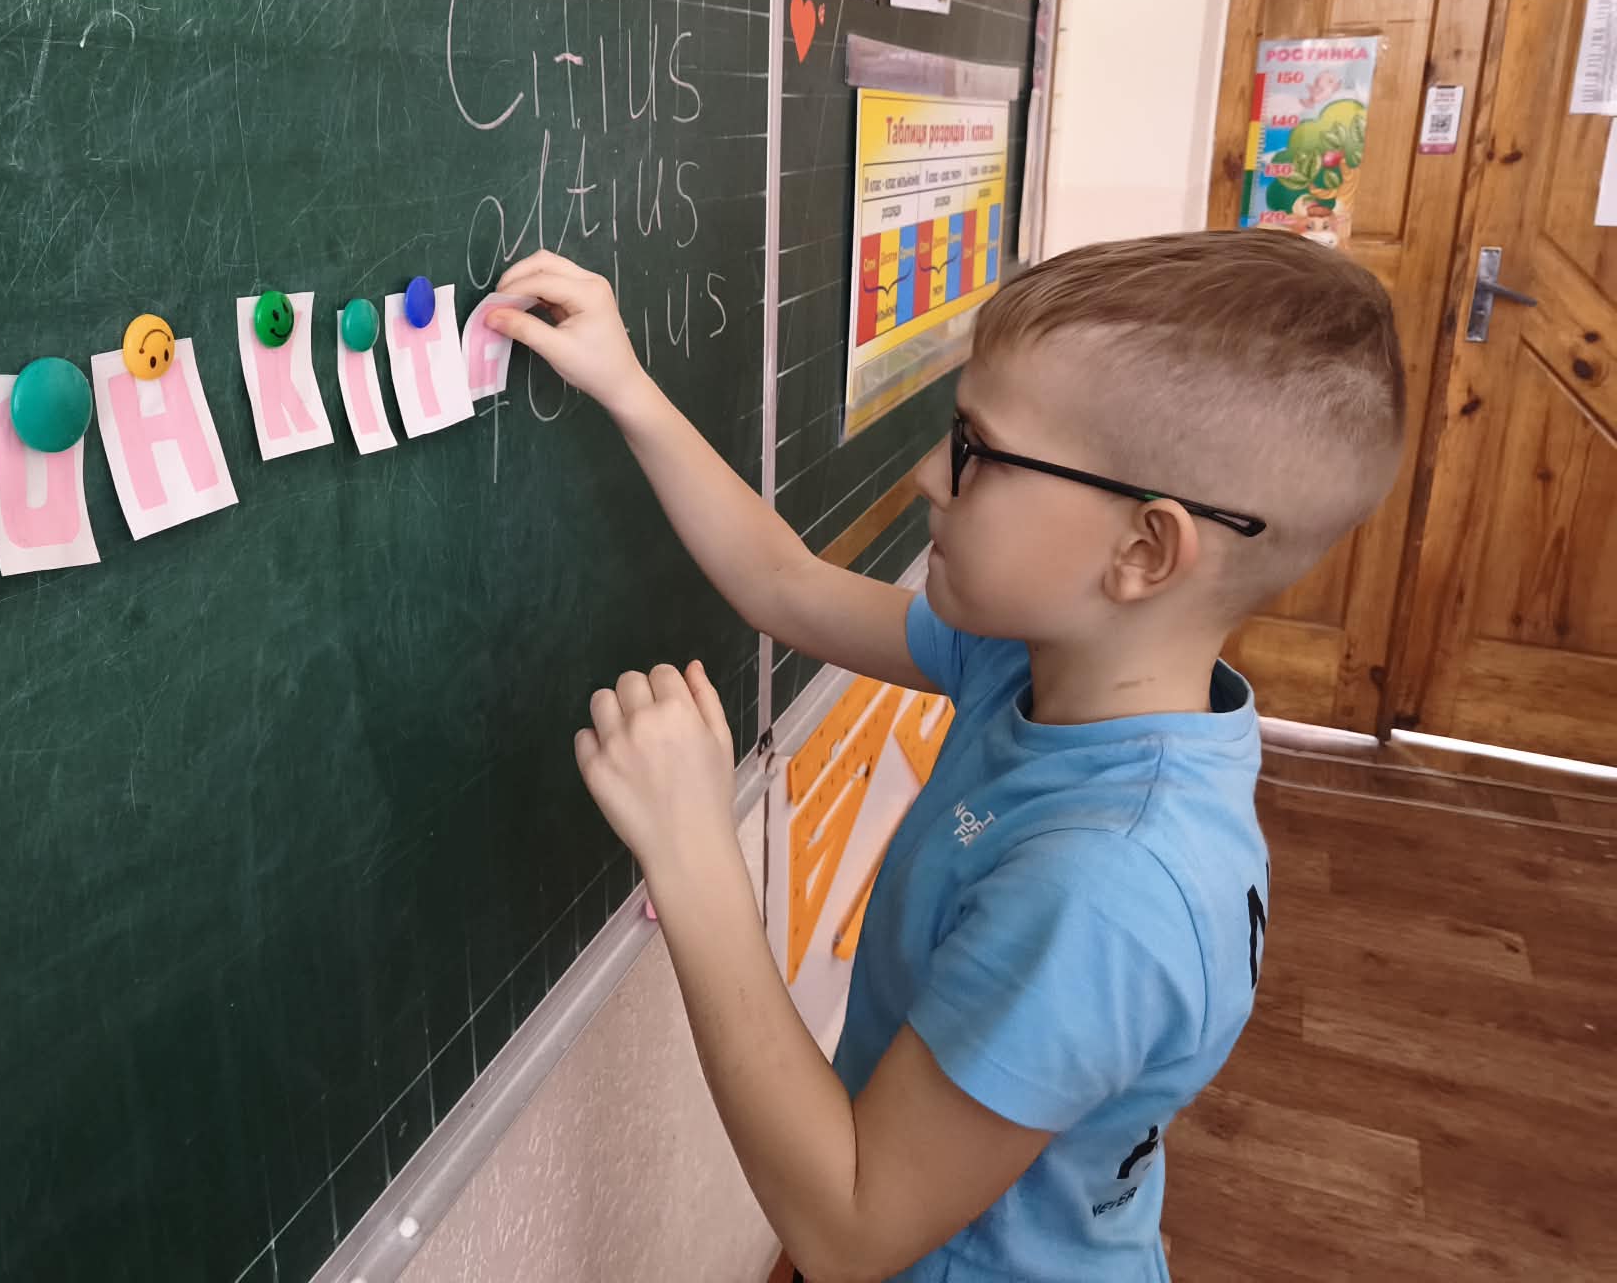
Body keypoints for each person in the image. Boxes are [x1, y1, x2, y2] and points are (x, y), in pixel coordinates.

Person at [488, 230, 1405, 1281]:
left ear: (1143, 550)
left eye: (977, 450)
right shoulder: (1035, 666)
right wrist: (626, 387)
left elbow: (848, 1229)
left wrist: (692, 852)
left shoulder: (1106, 886)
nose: (929, 472)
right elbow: (785, 584)